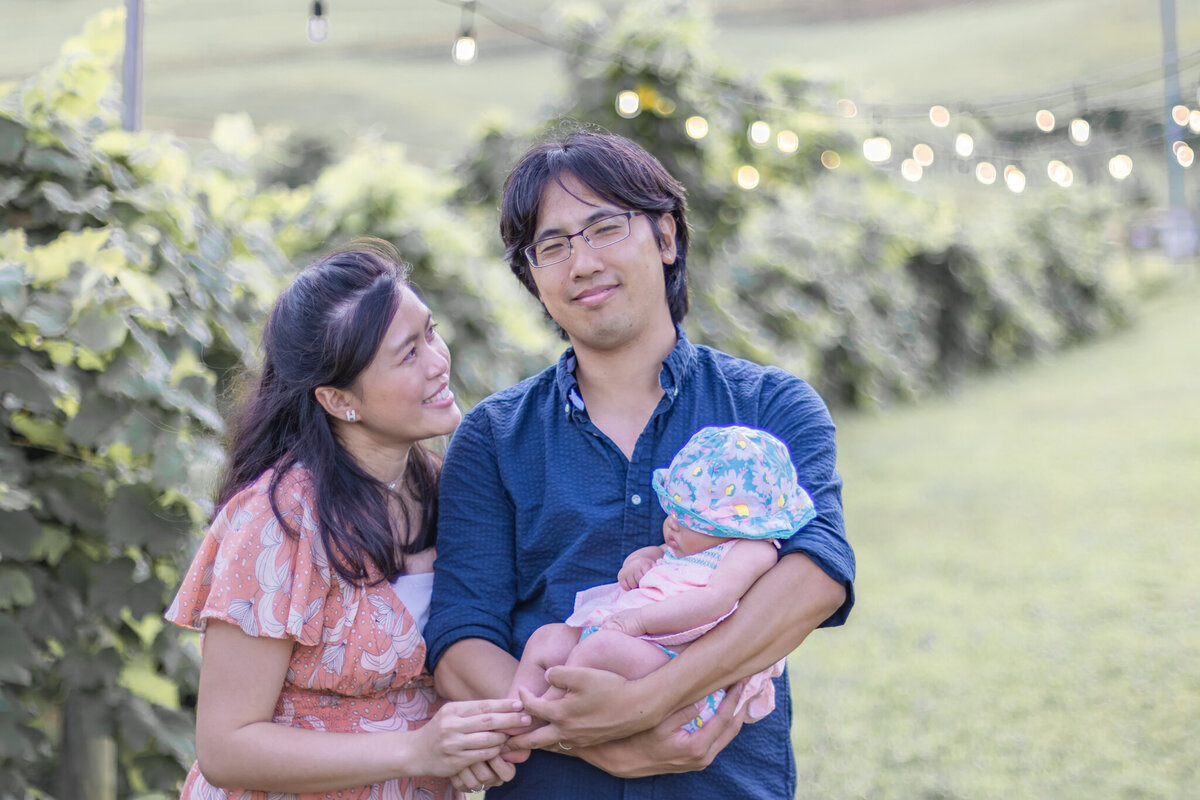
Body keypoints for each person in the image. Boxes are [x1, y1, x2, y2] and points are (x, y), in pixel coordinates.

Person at [425, 129, 856, 798]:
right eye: (553, 245)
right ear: (532, 277)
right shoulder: (492, 437)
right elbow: (459, 641)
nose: (582, 263)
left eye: (604, 228)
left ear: (665, 237)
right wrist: (588, 736)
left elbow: (817, 575)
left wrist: (649, 703)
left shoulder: (768, 405)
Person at [165, 239, 530, 800]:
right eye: (408, 354)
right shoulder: (278, 520)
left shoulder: (446, 486)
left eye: (430, 333)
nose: (438, 361)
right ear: (339, 401)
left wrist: (468, 747)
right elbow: (225, 746)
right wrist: (417, 748)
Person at [508, 425, 817, 736]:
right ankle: (511, 718)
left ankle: (546, 717)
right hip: (623, 634)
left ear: (738, 526)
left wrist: (640, 620)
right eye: (672, 511)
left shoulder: (750, 550)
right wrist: (638, 561)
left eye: (686, 519)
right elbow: (655, 553)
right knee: (546, 637)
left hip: (672, 661)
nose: (671, 524)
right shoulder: (685, 545)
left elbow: (715, 599)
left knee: (598, 649)